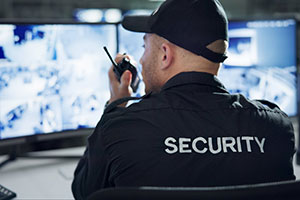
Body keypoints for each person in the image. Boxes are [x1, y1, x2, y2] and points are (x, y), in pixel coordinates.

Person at [72, 0, 296, 199]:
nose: (140, 59)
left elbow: (84, 193)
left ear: (165, 55)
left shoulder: (121, 128)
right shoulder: (276, 128)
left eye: (144, 47)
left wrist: (115, 105)